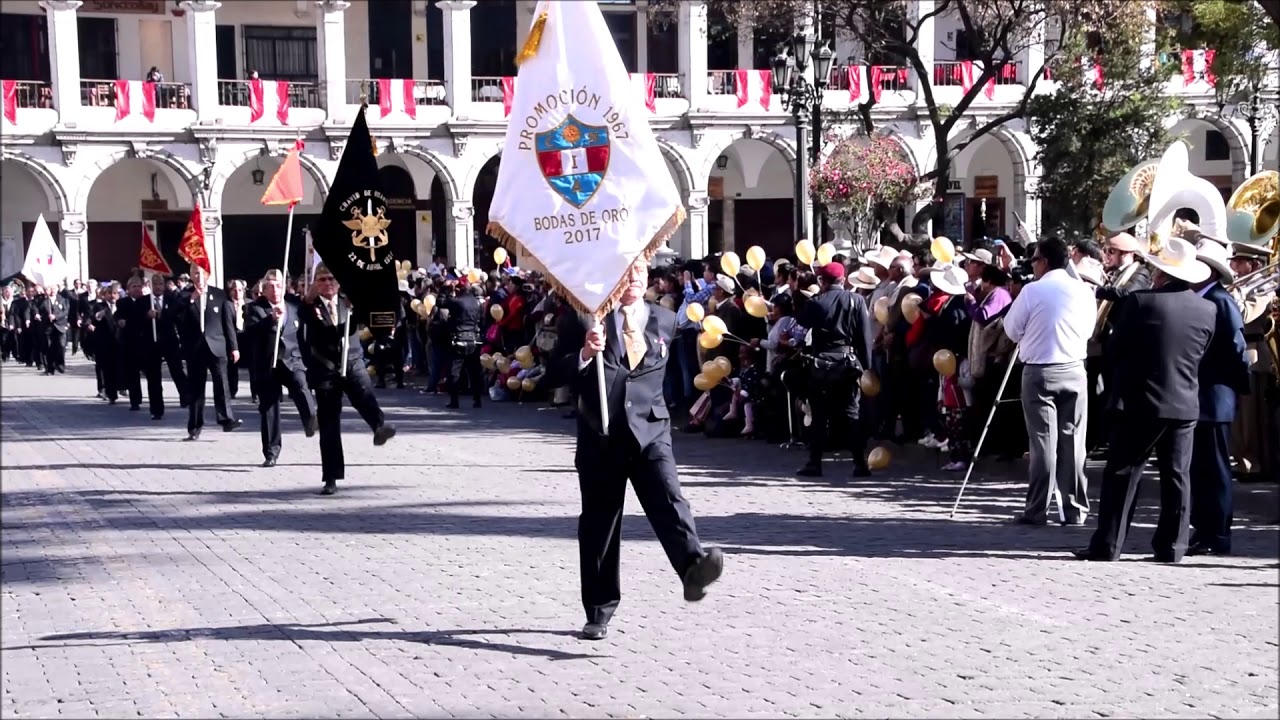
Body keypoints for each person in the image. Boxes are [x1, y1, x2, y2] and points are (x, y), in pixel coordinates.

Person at [552, 258, 724, 641]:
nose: (632, 279)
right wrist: (583, 355)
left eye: (639, 273)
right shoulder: (585, 319)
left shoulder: (665, 321)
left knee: (670, 500)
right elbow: (555, 371)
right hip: (602, 435)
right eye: (625, 272)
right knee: (601, 524)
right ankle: (598, 610)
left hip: (651, 431)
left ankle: (693, 568)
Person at [1076, 238, 1217, 563]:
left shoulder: (1141, 303)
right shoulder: (1206, 308)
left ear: (1159, 272)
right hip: (1184, 403)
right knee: (1177, 476)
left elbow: (1115, 350)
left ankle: (1108, 545)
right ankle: (1173, 547)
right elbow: (1200, 355)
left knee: (1123, 474)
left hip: (1141, 402)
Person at [1002, 238, 1097, 526]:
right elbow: (1090, 331)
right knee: (1073, 442)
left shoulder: (1033, 291)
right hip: (1075, 369)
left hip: (1041, 371)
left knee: (1043, 444)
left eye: (1034, 261)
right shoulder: (1083, 290)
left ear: (1043, 262)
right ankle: (1075, 509)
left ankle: (1037, 508)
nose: (1033, 266)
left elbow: (1011, 329)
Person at [299, 264, 397, 496]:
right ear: (315, 283)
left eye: (332, 278)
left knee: (365, 396)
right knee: (330, 423)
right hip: (326, 367)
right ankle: (331, 477)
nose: (328, 283)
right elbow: (301, 318)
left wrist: (359, 306)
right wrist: (306, 300)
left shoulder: (348, 300)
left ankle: (378, 427)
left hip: (352, 361)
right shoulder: (309, 306)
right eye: (322, 279)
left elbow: (372, 316)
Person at [1187, 240, 1250, 556]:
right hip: (1197, 397)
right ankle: (1204, 528)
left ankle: (1219, 534)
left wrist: (1233, 387)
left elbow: (1237, 350)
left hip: (1214, 397)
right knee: (1200, 469)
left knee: (1215, 470)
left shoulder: (1221, 300)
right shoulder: (1199, 298)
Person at [795, 262, 875, 478]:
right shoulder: (856, 300)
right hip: (847, 363)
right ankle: (860, 463)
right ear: (844, 279)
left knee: (819, 415)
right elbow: (864, 336)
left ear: (823, 281)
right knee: (851, 413)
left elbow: (801, 320)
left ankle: (815, 463)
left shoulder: (817, 302)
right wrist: (867, 367)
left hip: (821, 364)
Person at [243, 269, 318, 467]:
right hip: (268, 363)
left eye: (278, 285)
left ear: (284, 287)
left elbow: (308, 323)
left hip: (292, 359)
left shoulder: (294, 305)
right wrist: (270, 320)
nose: (275, 290)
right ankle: (271, 452)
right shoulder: (254, 308)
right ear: (264, 289)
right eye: (271, 286)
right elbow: (249, 333)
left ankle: (310, 419)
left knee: (300, 384)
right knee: (269, 408)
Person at [176, 264, 241, 440]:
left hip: (217, 346)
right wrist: (191, 300)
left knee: (222, 384)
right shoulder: (183, 296)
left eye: (201, 273)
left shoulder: (219, 294)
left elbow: (228, 322)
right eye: (195, 274)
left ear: (207, 275)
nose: (198, 277)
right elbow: (179, 320)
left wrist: (234, 347)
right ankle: (195, 427)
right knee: (197, 389)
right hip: (195, 349)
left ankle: (226, 418)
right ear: (190, 275)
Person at [119, 275, 165, 418]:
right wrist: (120, 321)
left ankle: (157, 407)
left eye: (139, 286)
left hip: (148, 344)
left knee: (153, 376)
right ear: (128, 289)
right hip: (131, 343)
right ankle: (135, 400)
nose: (137, 289)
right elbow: (122, 317)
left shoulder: (148, 301)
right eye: (134, 286)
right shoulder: (123, 303)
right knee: (132, 373)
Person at [440, 279, 484, 409]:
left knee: (454, 371)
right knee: (475, 371)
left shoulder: (457, 302)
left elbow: (440, 302)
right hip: (473, 338)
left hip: (459, 338)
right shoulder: (477, 303)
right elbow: (482, 320)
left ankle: (454, 401)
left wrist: (445, 290)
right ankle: (477, 399)